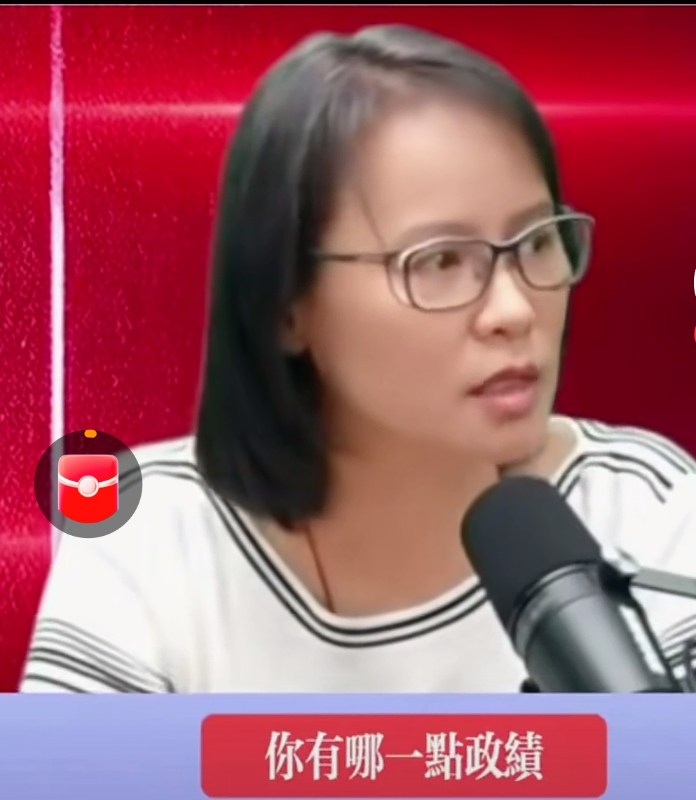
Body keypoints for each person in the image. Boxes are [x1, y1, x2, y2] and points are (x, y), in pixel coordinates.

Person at [22, 24, 696, 693]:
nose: (515, 310)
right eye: (440, 261)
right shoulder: (149, 533)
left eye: (537, 243)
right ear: (287, 303)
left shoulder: (645, 509)